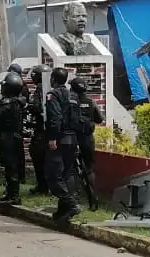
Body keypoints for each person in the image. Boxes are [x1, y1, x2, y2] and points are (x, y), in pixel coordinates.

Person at [43, 68, 81, 223]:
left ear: (53, 79)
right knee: (66, 175)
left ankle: (71, 204)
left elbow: (55, 117)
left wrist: (52, 138)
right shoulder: (73, 95)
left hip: (59, 138)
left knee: (53, 175)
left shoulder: (53, 94)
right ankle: (62, 212)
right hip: (73, 139)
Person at [0, 72, 28, 202]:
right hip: (16, 137)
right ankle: (11, 193)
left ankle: (14, 195)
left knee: (10, 166)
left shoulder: (6, 103)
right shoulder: (19, 102)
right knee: (12, 166)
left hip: (7, 138)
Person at [71, 78, 104, 206]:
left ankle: (76, 197)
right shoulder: (91, 101)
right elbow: (100, 119)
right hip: (88, 138)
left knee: (71, 168)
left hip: (73, 138)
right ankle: (93, 198)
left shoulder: (71, 101)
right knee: (89, 168)